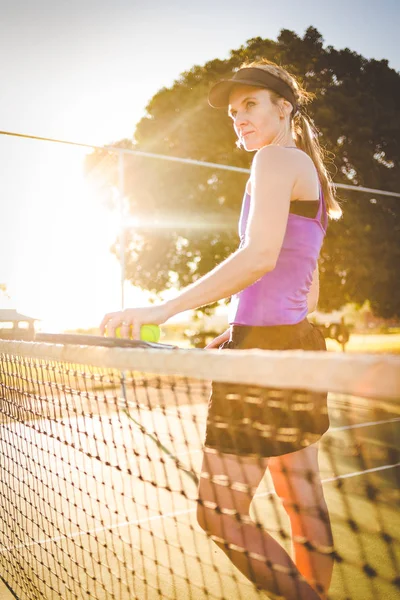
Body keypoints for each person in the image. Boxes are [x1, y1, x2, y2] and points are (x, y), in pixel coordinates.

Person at [100, 59, 342, 599]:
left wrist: (163, 309)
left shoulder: (275, 160)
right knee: (300, 498)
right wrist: (241, 329)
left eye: (250, 105)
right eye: (234, 114)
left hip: (264, 358)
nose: (240, 119)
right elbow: (307, 281)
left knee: (218, 513)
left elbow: (258, 255)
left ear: (285, 106)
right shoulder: (309, 172)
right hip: (294, 347)